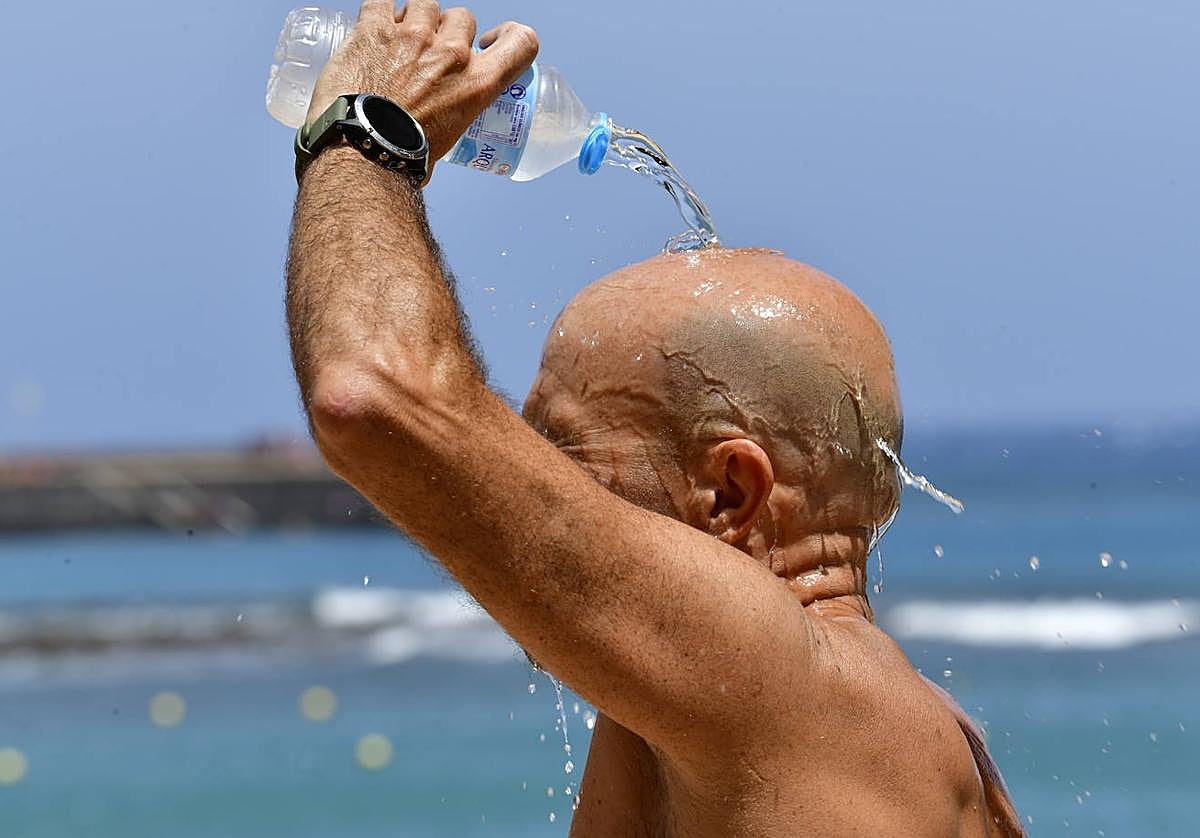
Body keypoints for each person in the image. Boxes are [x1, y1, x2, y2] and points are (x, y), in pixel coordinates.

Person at [285, 2, 1024, 834]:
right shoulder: (738, 714)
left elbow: (374, 397)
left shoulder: (766, 675)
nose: (517, 469)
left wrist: (368, 129)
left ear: (731, 493)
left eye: (564, 449)